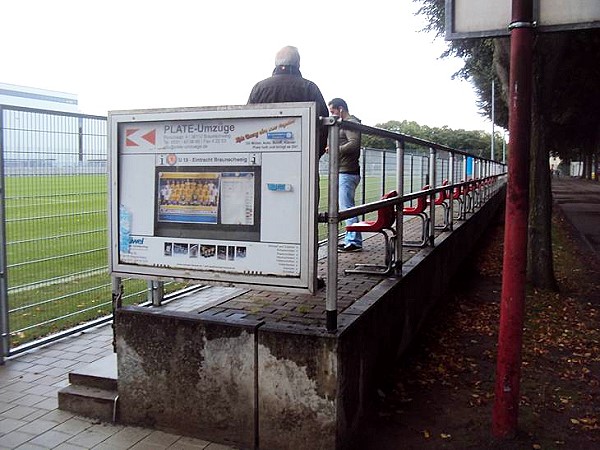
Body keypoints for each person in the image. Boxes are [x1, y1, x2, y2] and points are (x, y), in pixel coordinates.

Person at [247, 45, 329, 158]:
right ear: (298, 64)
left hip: (266, 157)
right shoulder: (309, 87)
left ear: (276, 64)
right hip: (303, 159)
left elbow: (248, 122)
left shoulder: (259, 88)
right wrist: (313, 155)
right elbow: (323, 125)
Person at [327, 98, 362, 252]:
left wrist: (335, 148)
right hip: (344, 171)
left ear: (340, 108)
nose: (331, 114)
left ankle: (354, 242)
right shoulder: (347, 122)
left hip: (347, 172)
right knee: (346, 206)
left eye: (333, 111)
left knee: (347, 207)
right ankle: (351, 239)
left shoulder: (350, 122)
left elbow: (354, 144)